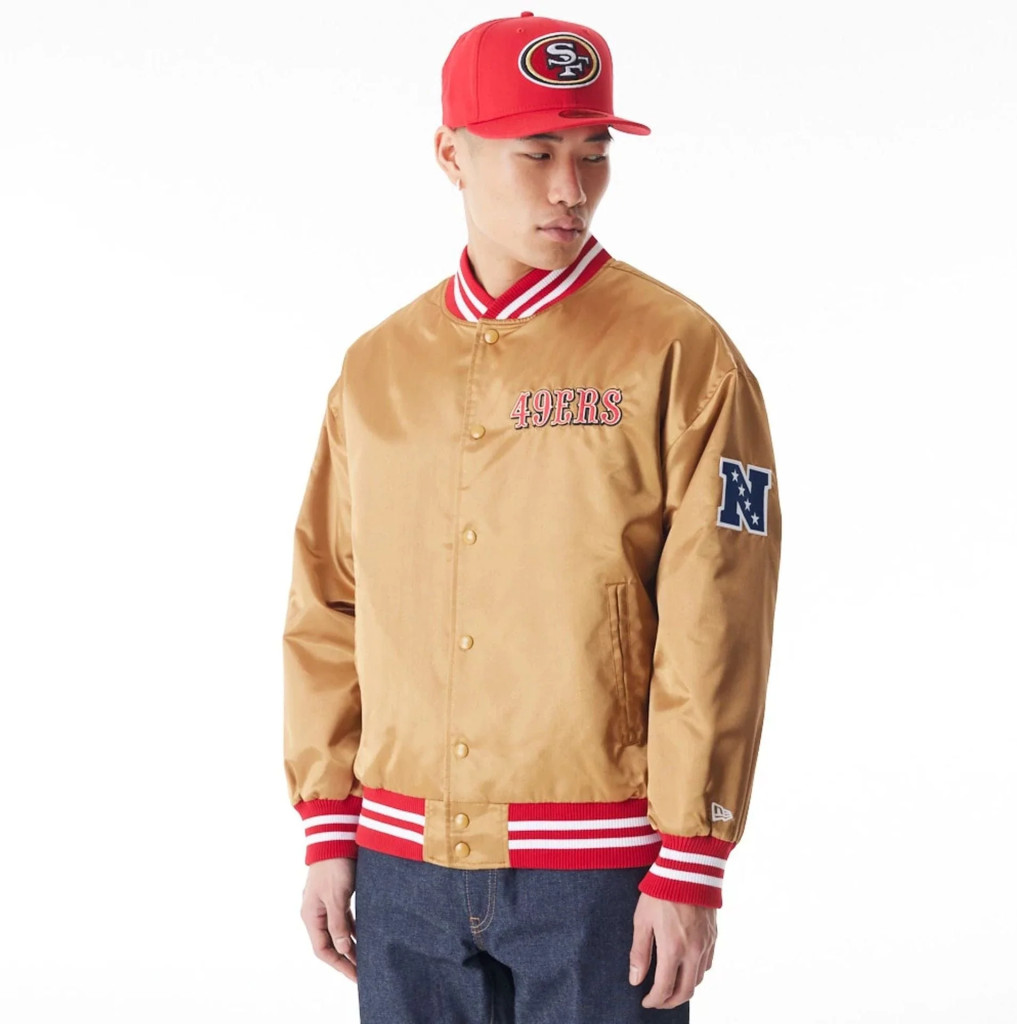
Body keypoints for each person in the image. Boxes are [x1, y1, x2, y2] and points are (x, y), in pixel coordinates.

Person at [282, 11, 782, 1022]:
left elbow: (719, 616)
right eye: (537, 153)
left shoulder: (680, 354)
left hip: (600, 872)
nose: (571, 187)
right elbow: (327, 603)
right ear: (450, 154)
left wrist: (691, 855)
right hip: (400, 866)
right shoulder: (376, 370)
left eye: (594, 152)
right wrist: (328, 824)